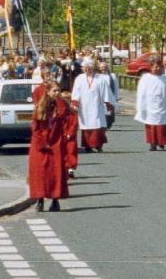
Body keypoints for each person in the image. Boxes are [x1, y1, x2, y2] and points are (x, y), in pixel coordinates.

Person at [28, 82, 70, 212]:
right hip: (40, 146)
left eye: (58, 91)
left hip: (56, 143)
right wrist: (42, 143)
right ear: (48, 92)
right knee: (40, 174)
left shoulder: (61, 106)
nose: (57, 93)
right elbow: (35, 129)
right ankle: (40, 200)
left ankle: (55, 200)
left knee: (56, 173)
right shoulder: (40, 107)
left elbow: (67, 121)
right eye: (54, 91)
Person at [70, 58, 115, 153]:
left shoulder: (100, 79)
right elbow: (76, 92)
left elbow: (106, 93)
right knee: (86, 125)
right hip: (84, 106)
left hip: (96, 105)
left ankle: (98, 145)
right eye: (85, 68)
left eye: (88, 68)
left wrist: (108, 104)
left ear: (92, 68)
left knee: (97, 124)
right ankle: (87, 146)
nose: (86, 70)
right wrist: (75, 103)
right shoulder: (79, 78)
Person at [134, 57, 166, 151]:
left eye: (160, 67)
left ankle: (161, 142)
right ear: (151, 67)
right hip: (150, 106)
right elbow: (141, 93)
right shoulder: (145, 78)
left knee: (162, 125)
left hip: (162, 105)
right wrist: (141, 107)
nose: (158, 69)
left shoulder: (165, 78)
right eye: (156, 67)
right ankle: (153, 144)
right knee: (151, 125)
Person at [62, 90, 79, 179]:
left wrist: (70, 134)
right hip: (62, 136)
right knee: (63, 153)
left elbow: (74, 124)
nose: (65, 101)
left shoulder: (73, 112)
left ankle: (71, 168)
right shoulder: (60, 111)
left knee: (71, 152)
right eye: (64, 99)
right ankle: (66, 169)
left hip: (71, 137)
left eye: (67, 99)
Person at [100, 61, 120, 130]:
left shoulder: (112, 76)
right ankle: (104, 124)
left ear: (107, 68)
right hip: (102, 98)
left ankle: (109, 123)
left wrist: (117, 97)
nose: (103, 69)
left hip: (110, 96)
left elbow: (116, 87)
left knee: (110, 111)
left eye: (105, 68)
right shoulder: (98, 77)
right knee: (103, 111)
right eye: (102, 68)